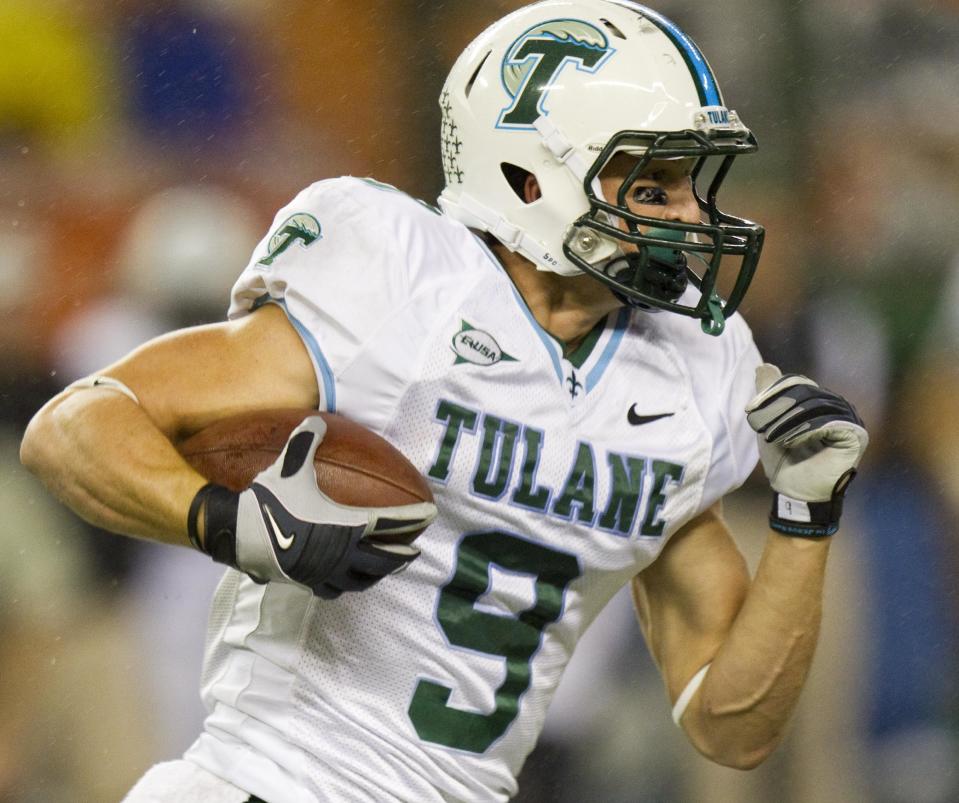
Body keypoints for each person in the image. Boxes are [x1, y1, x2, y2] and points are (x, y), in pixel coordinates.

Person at [20, 2, 869, 801]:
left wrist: (804, 521)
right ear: (531, 180)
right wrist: (229, 521)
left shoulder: (686, 368)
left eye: (691, 184)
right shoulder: (404, 283)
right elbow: (74, 426)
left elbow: (730, 723)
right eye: (651, 187)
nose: (690, 216)